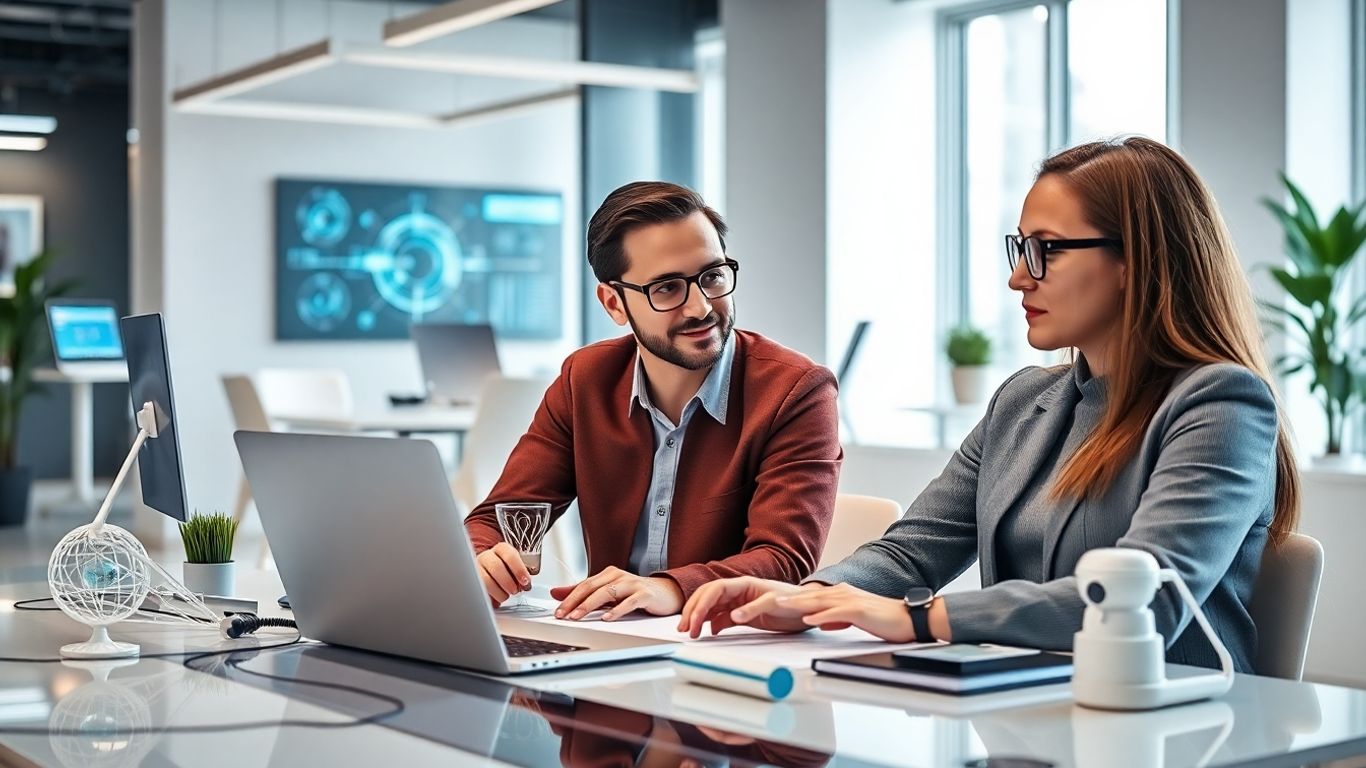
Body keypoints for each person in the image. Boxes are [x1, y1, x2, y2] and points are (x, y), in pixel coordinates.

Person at [678, 137, 1300, 673]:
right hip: (1026, 721)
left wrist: (919, 618)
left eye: (1046, 251)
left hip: (1168, 733)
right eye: (1019, 248)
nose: (1018, 278)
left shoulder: (1221, 403)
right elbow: (909, 552)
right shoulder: (1022, 402)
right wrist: (810, 596)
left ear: (1133, 261)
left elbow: (1144, 599)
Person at [466, 181, 842, 621]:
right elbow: (497, 517)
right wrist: (484, 559)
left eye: (712, 276)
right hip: (611, 646)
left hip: (724, 650)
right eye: (667, 288)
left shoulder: (796, 392)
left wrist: (669, 589)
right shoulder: (584, 380)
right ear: (614, 303)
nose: (701, 307)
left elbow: (783, 559)